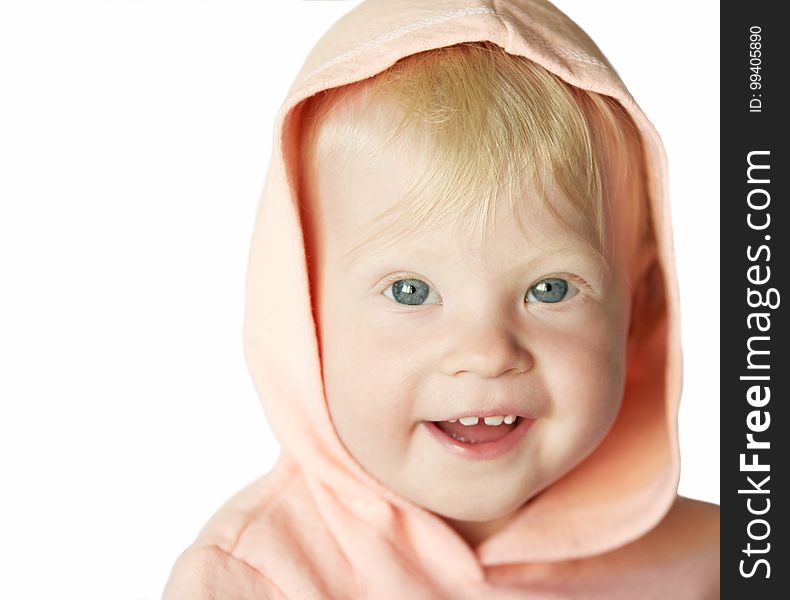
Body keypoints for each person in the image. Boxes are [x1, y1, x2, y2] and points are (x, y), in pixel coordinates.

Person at [162, 1, 719, 597]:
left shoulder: (715, 565)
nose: (485, 353)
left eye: (549, 289)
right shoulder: (256, 580)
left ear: (640, 306)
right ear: (305, 316)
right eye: (411, 291)